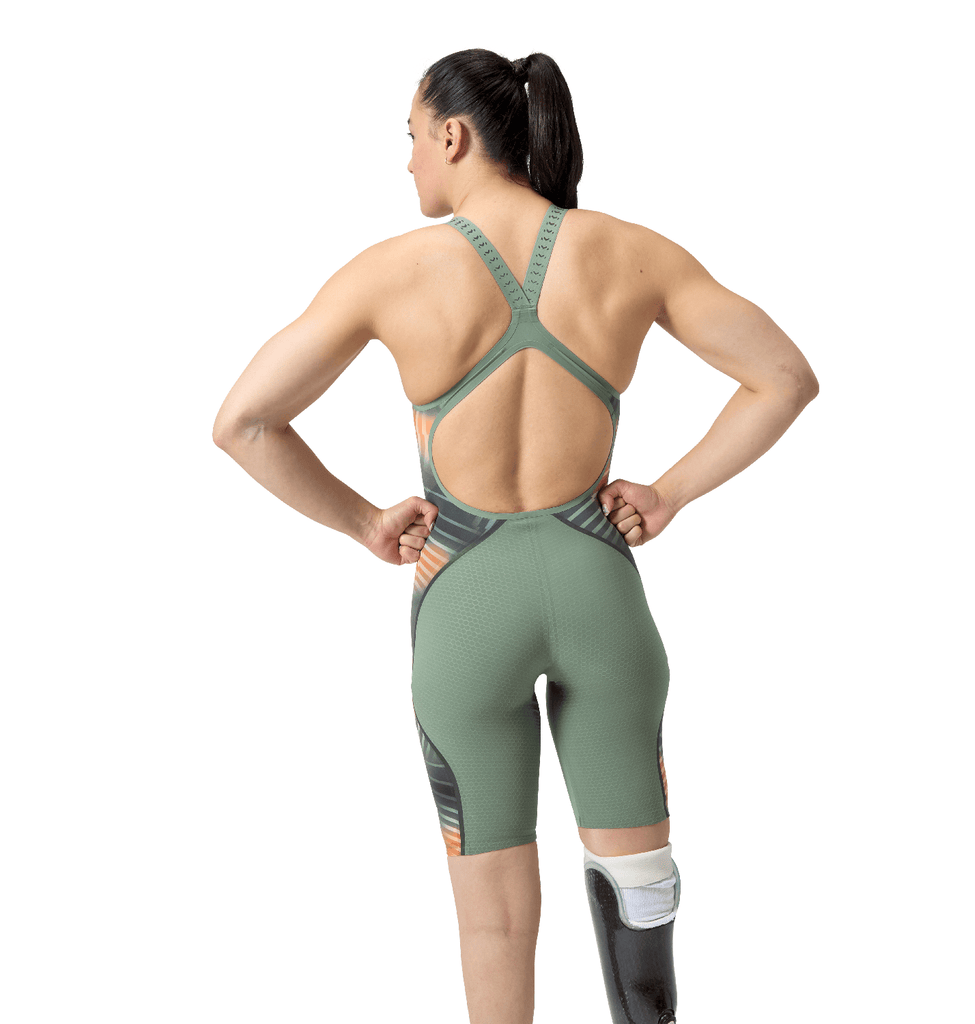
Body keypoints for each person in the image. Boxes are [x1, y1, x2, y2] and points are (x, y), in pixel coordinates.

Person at [212, 47, 818, 1024]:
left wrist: (366, 521)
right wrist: (668, 494)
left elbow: (242, 422)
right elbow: (784, 377)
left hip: (464, 597)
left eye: (412, 137)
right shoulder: (630, 252)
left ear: (453, 136)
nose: (408, 159)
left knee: (492, 922)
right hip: (597, 587)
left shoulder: (391, 273)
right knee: (642, 887)